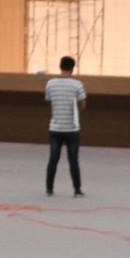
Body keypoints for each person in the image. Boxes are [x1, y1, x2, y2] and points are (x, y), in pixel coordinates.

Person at [44, 55, 86, 197]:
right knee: (73, 160)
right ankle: (77, 189)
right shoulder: (77, 84)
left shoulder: (50, 83)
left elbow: (48, 100)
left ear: (60, 66)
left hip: (55, 128)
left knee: (53, 158)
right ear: (72, 68)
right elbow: (83, 103)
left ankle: (49, 188)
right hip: (72, 128)